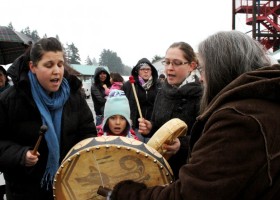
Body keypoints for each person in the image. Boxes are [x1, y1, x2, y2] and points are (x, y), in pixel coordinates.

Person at [110, 30, 280, 200]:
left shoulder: (239, 120)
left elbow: (191, 193)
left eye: (203, 69)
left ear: (221, 70)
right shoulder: (261, 105)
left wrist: (126, 194)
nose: (202, 78)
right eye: (167, 62)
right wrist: (151, 127)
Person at [0, 37, 97, 200]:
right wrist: (21, 155)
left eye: (60, 64)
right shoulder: (10, 100)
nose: (57, 71)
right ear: (33, 67)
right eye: (49, 65)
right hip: (24, 191)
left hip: (68, 187)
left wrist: (79, 157)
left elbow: (88, 132)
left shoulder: (74, 96)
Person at [138, 42, 202, 179]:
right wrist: (151, 127)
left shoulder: (202, 96)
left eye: (176, 63)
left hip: (187, 172)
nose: (169, 68)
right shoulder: (162, 92)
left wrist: (182, 144)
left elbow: (205, 136)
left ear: (191, 66)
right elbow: (158, 127)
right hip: (159, 169)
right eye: (166, 63)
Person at [122, 58, 160, 143]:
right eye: (142, 69)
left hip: (153, 126)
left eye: (148, 69)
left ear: (152, 71)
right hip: (136, 126)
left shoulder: (159, 85)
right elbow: (123, 104)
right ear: (137, 71)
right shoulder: (129, 85)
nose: (145, 71)